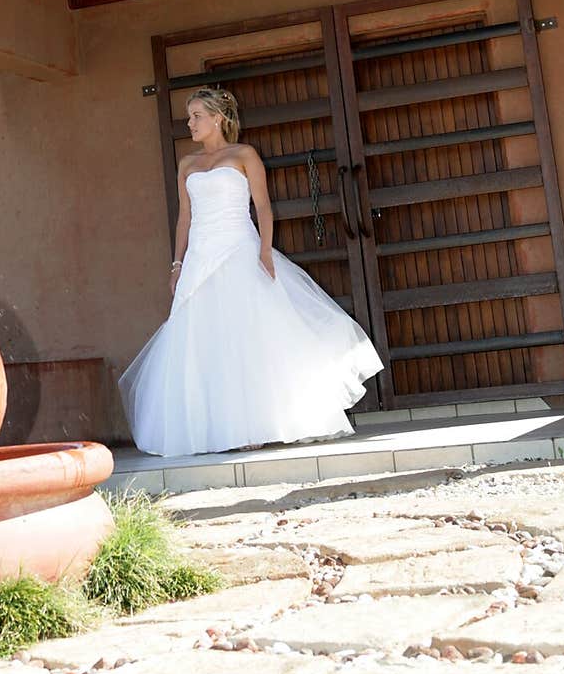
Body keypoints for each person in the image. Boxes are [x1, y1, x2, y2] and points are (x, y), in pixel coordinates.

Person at [118, 86, 385, 457]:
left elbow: (263, 207)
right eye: (189, 116)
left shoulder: (244, 155)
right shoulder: (187, 164)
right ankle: (213, 427)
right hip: (200, 257)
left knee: (248, 337)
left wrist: (264, 251)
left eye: (196, 116)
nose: (190, 122)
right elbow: (184, 218)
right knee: (204, 340)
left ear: (218, 118)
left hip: (239, 248)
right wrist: (177, 263)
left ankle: (258, 424)